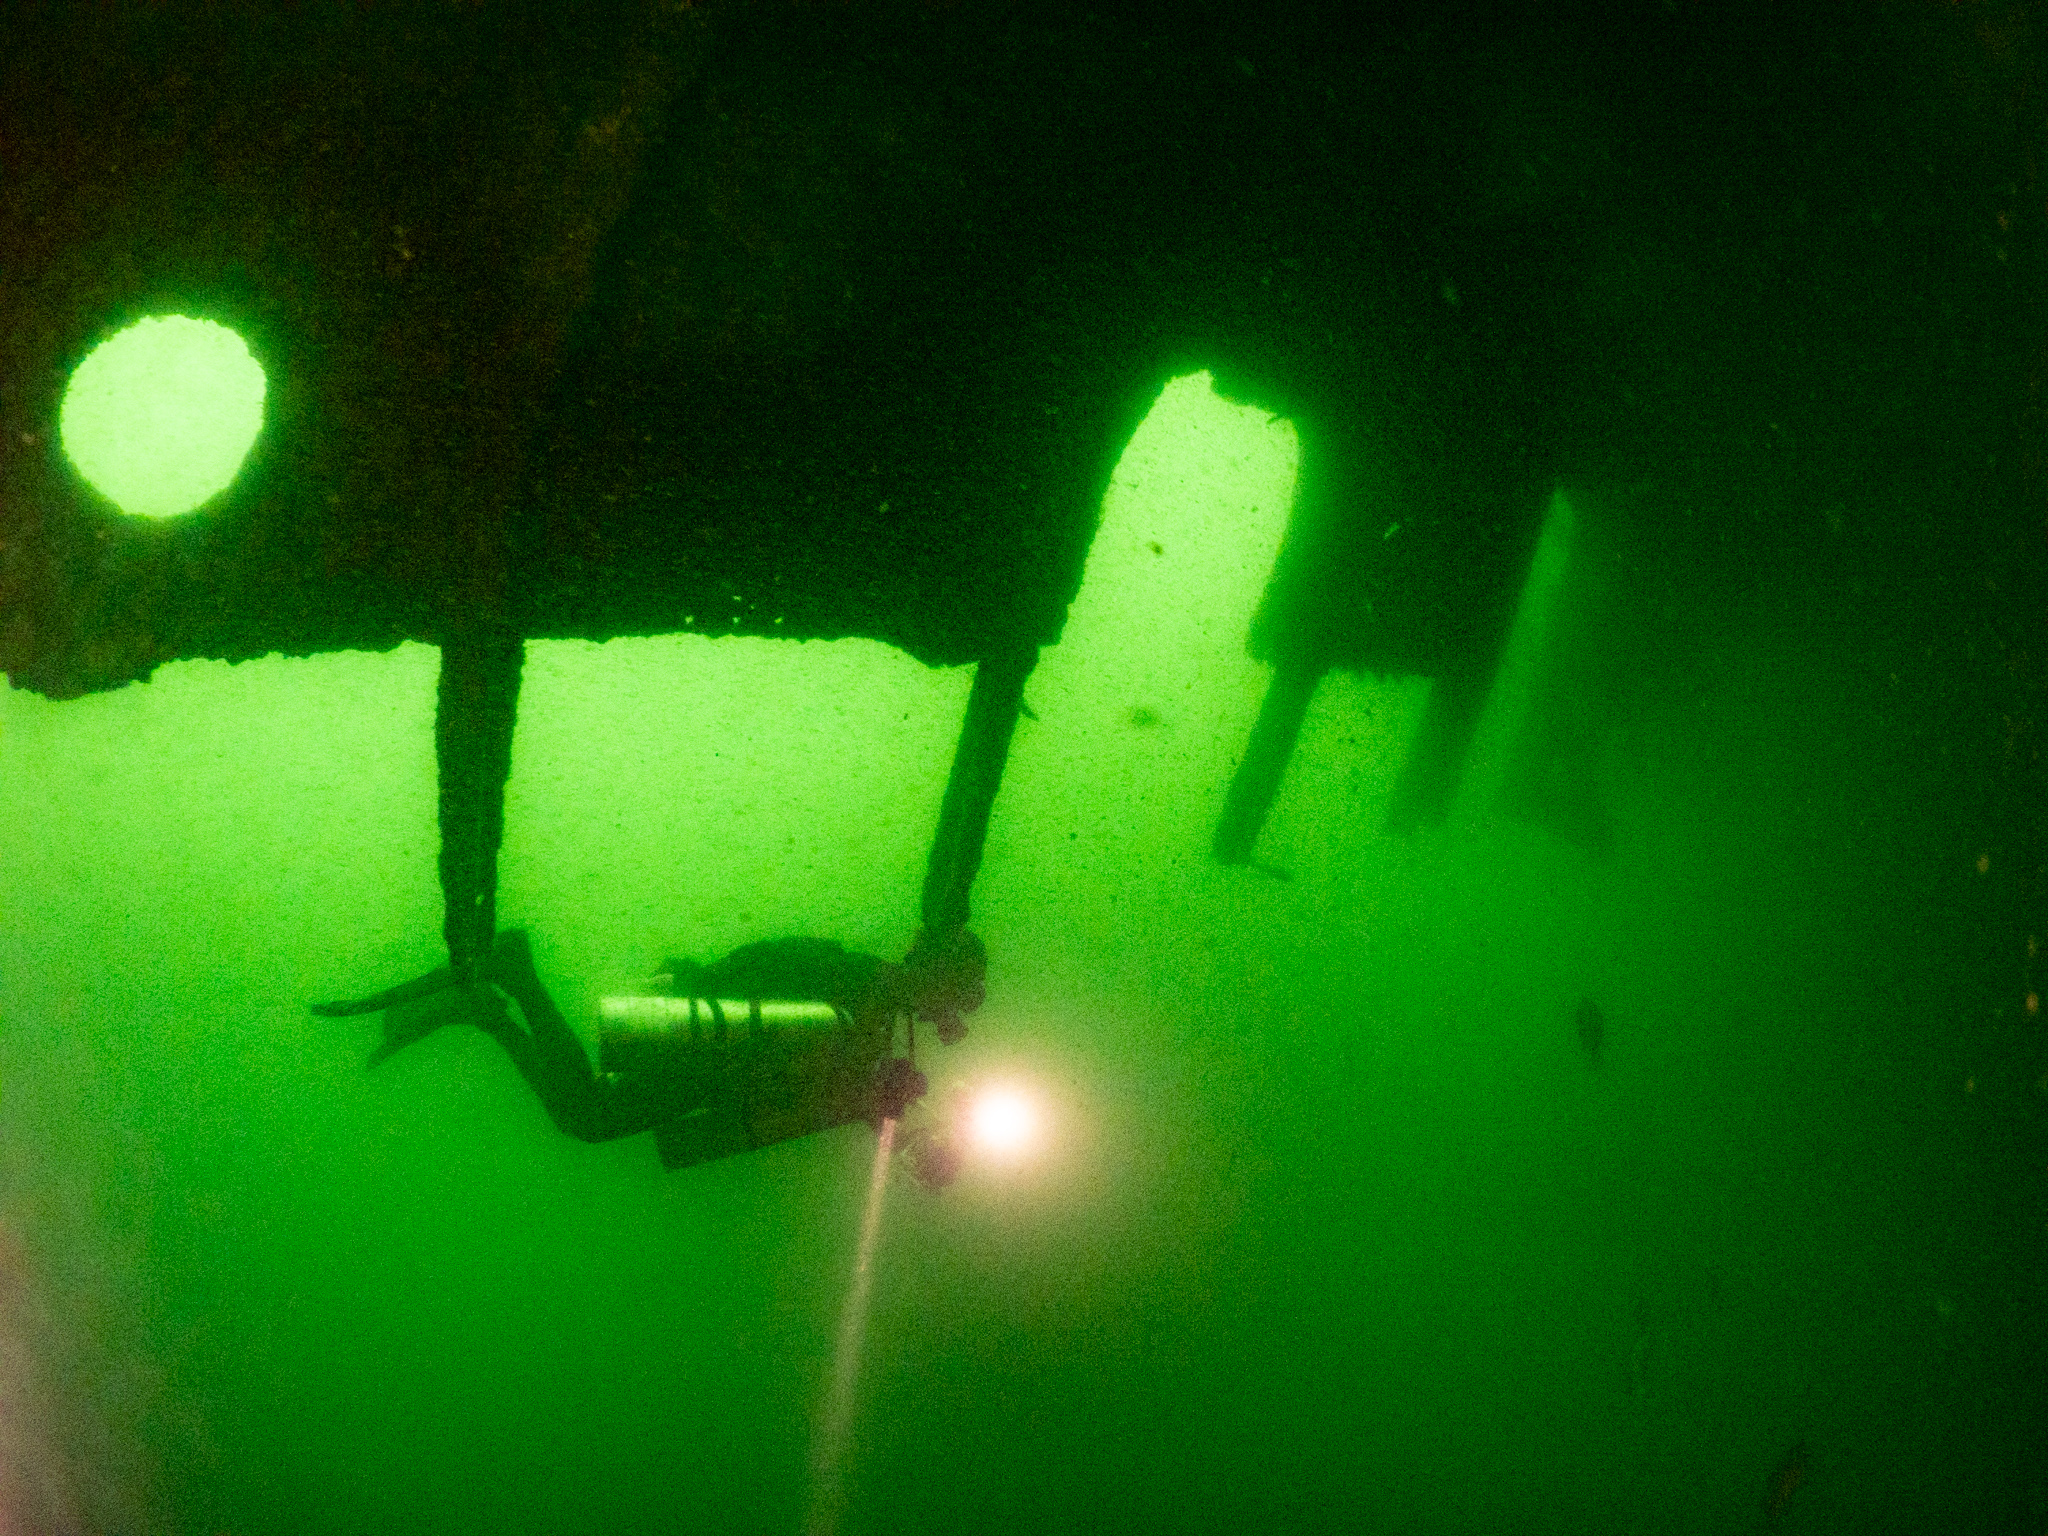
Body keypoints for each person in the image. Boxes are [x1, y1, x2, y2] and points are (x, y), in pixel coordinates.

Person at [314, 927, 985, 1171]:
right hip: (704, 1058)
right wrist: (706, 982)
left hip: (709, 1066)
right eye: (956, 999)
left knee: (585, 1116)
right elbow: (780, 963)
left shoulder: (878, 1010)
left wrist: (900, 1127)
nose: (948, 1018)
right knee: (587, 1117)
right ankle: (509, 984)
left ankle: (493, 1007)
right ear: (938, 977)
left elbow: (824, 1091)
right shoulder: (866, 987)